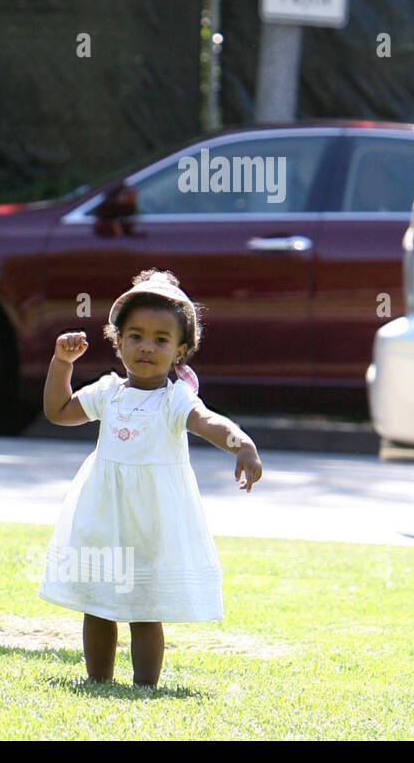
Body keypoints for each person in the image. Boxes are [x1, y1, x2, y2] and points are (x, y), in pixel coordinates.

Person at [38, 269, 263, 687]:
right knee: (99, 602)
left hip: (152, 522)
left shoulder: (175, 398)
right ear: (118, 340)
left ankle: (145, 685)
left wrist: (240, 442)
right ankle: (98, 679)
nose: (147, 347)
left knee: (145, 606)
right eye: (136, 336)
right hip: (105, 516)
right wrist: (61, 363)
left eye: (161, 340)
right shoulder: (108, 392)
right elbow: (59, 411)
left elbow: (208, 421)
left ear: (180, 351)